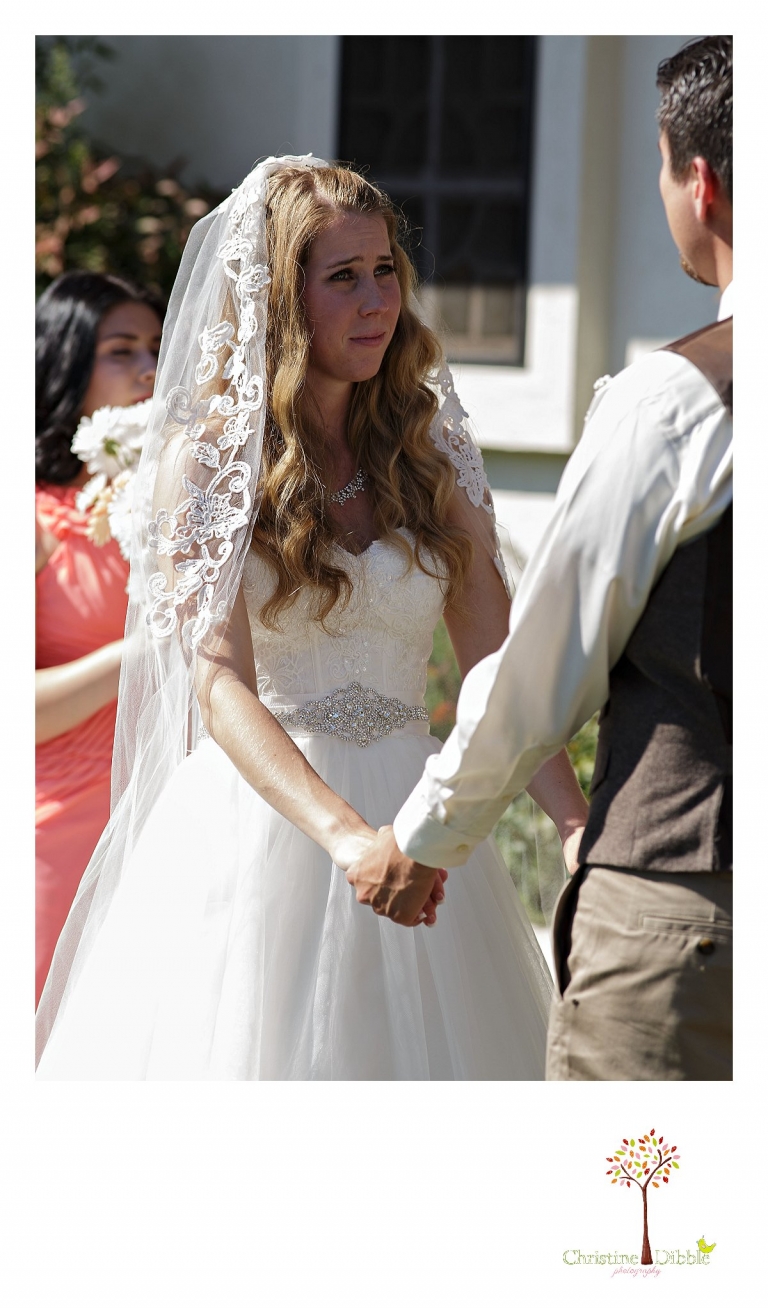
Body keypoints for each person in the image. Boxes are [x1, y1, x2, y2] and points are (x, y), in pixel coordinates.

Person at [36, 156, 588, 1080]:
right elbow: (218, 683)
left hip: (421, 826)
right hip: (263, 829)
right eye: (343, 278)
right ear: (281, 302)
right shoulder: (209, 461)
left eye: (385, 271)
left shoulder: (429, 450)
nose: (377, 302)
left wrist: (575, 828)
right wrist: (346, 838)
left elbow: (496, 658)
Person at [349, 36, 733, 1081]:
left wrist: (424, 837)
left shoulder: (680, 400)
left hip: (693, 898)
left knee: (642, 1191)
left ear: (700, 183)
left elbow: (544, 667)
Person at [35, 271, 163, 1006]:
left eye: (155, 347)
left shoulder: (185, 505)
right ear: (66, 361)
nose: (148, 368)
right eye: (122, 350)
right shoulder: (31, 519)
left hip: (169, 820)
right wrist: (142, 654)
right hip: (57, 833)